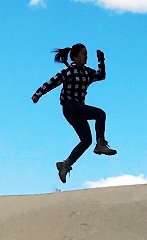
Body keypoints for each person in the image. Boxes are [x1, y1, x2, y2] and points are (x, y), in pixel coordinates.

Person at [33, 43, 115, 183]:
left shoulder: (87, 73)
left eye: (86, 54)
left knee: (86, 140)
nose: (86, 57)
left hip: (77, 110)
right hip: (70, 107)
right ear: (75, 56)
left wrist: (101, 60)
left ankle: (65, 164)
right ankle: (100, 143)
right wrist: (38, 94)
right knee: (100, 114)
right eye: (83, 54)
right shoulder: (68, 72)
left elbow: (101, 75)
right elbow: (51, 83)